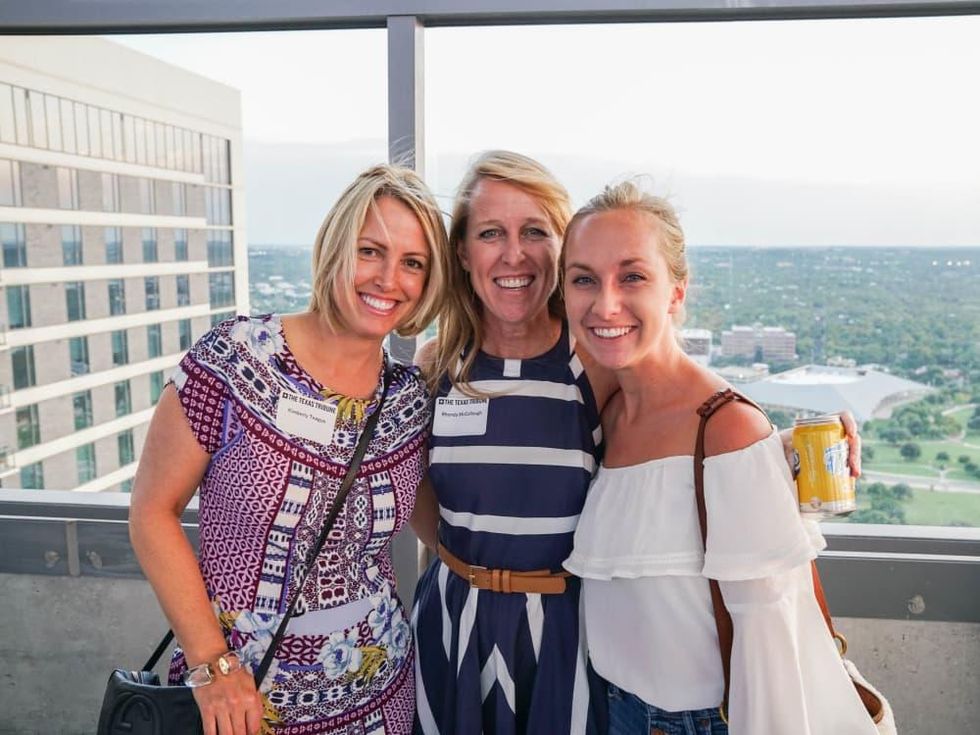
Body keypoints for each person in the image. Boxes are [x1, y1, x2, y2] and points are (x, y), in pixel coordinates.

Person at [129, 164, 451, 735]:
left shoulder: (408, 401)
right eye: (370, 250)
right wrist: (213, 667)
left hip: (382, 700)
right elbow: (152, 513)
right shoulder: (233, 359)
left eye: (412, 263)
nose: (387, 279)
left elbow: (442, 528)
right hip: (242, 703)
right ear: (334, 248)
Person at [561, 181, 877, 733]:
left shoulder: (728, 429)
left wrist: (765, 453)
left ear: (677, 293)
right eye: (584, 279)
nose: (605, 302)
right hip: (611, 711)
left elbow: (772, 641)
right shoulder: (610, 413)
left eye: (632, 276)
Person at [409, 151, 618, 735]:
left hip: (569, 633)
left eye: (534, 232)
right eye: (491, 234)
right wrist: (477, 568)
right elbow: (421, 497)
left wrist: (770, 446)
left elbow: (679, 434)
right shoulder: (439, 364)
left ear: (562, 245)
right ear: (462, 252)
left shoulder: (594, 363)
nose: (513, 254)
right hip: (453, 625)